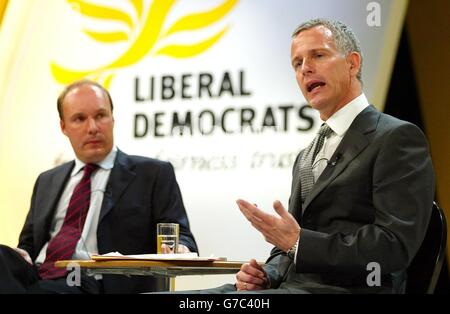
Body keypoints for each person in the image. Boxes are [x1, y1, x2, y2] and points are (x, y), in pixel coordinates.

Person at [220, 18, 435, 294]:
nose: (305, 69)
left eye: (318, 55)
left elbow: (393, 245)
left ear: (352, 63)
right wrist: (267, 275)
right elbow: (290, 245)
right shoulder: (306, 155)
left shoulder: (397, 138)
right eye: (297, 64)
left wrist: (299, 243)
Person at [0, 80, 198, 293]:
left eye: (100, 116)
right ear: (63, 126)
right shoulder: (47, 180)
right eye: (79, 119)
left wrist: (178, 248)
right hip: (38, 274)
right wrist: (20, 255)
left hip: (91, 279)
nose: (92, 128)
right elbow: (28, 246)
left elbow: (181, 236)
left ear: (112, 118)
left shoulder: (152, 173)